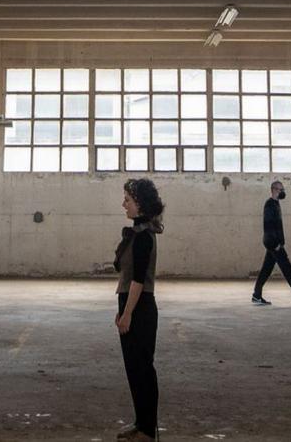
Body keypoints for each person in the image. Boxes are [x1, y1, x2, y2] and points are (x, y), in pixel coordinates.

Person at [113, 179, 164, 442]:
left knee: (143, 369)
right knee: (133, 369)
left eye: (128, 200)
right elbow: (127, 278)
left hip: (141, 306)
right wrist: (122, 309)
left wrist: (128, 312)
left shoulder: (144, 237)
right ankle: (140, 423)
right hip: (131, 303)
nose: (124, 204)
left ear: (140, 204)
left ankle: (147, 429)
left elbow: (139, 281)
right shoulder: (137, 232)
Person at [252, 180, 291, 306]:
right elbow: (268, 225)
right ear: (274, 190)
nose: (283, 192)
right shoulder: (270, 204)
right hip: (274, 244)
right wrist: (275, 244)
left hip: (274, 243)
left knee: (266, 270)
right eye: (281, 190)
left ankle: (256, 295)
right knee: (287, 269)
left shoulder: (276, 203)